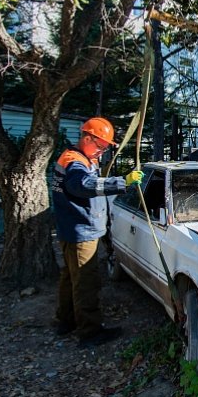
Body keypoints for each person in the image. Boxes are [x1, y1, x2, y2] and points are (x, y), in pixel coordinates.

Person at [52, 117, 144, 346]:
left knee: (70, 277)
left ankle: (66, 321)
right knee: (86, 281)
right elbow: (84, 185)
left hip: (72, 228)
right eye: (101, 146)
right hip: (81, 231)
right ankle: (90, 332)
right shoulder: (75, 162)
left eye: (105, 148)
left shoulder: (76, 157)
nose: (102, 152)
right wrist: (122, 182)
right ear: (87, 138)